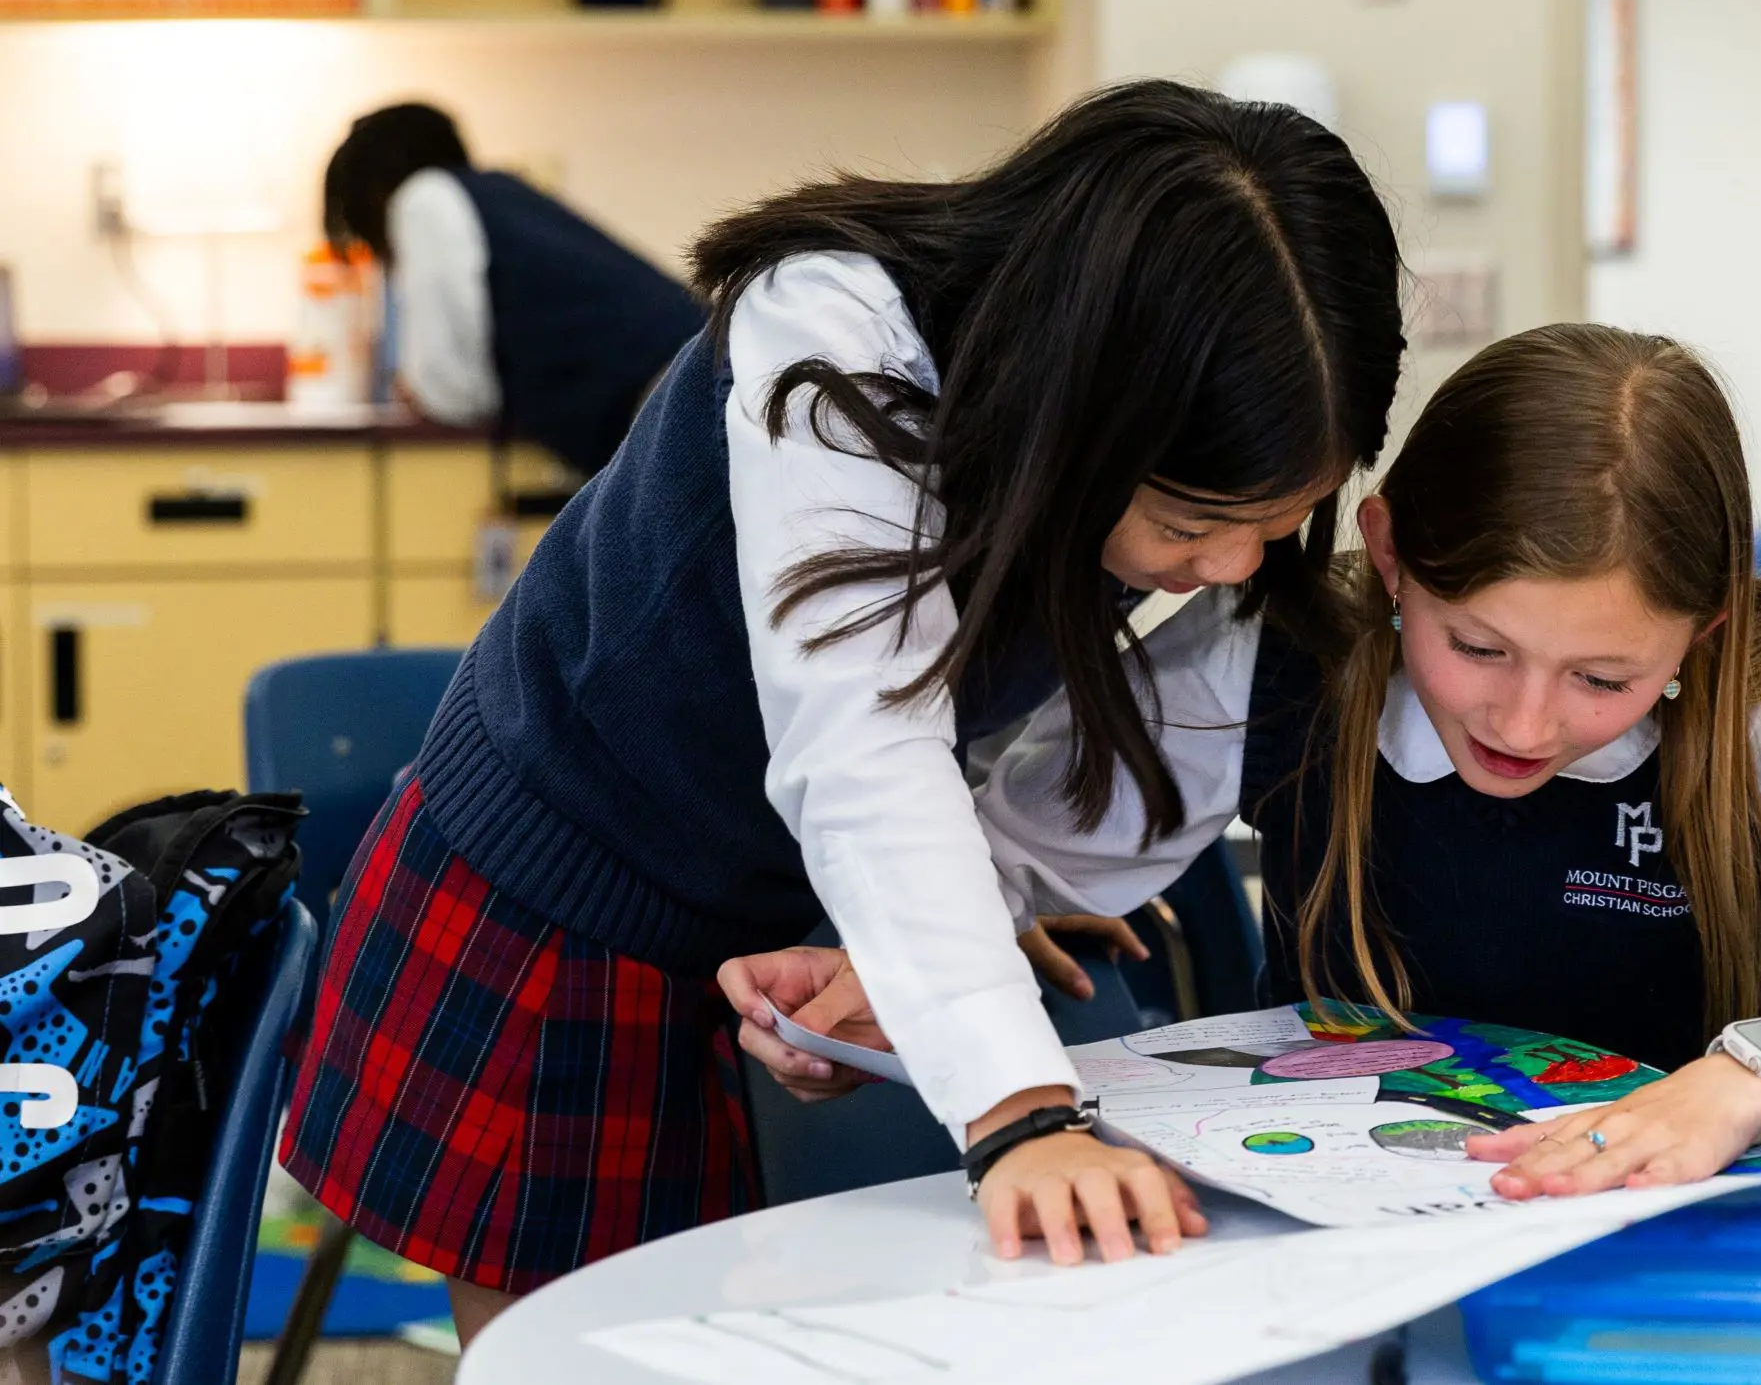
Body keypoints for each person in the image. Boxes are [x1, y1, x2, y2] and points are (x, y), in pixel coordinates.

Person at [282, 80, 1407, 1345]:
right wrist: (1020, 1109)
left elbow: (1173, 701)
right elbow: (869, 741)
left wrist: (978, 909)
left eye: (1274, 524)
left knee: (701, 1337)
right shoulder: (835, 336)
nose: (1234, 566)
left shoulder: (1120, 451)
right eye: (1194, 526)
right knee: (574, 1354)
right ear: (1075, 403)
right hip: (553, 897)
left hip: (737, 906)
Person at [734, 324, 1761, 1224]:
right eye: (1475, 643)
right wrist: (879, 983)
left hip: (1644, 1232)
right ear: (1385, 555)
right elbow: (997, 859)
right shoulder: (1281, 656)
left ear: (1706, 623)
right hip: (1312, 1236)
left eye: (1605, 678)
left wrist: (1756, 1080)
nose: (1530, 715)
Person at [322, 101, 704, 475]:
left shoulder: (423, 199)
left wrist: (421, 390)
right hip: (698, 366)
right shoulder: (501, 194)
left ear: (373, 195)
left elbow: (455, 391)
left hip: (666, 396)